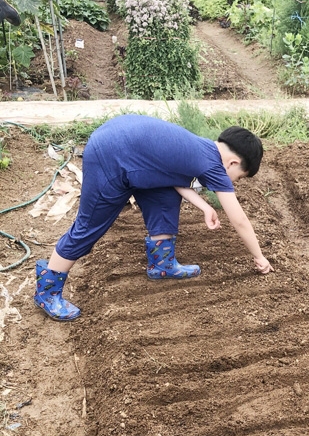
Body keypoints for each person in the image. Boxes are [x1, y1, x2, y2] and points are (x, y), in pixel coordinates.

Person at [34, 114, 273, 322]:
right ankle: (47, 292)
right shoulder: (213, 165)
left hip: (123, 144)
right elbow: (239, 219)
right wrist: (259, 257)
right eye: (238, 178)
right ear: (233, 163)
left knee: (164, 195)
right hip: (111, 156)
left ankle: (162, 264)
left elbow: (175, 179)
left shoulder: (201, 148)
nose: (233, 182)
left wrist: (204, 207)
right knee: (88, 227)